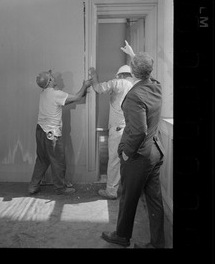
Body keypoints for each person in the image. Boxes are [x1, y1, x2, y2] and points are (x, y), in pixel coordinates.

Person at [101, 40, 166, 248]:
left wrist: (127, 153)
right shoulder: (156, 86)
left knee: (128, 199)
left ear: (133, 73)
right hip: (156, 152)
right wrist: (133, 55)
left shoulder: (134, 96)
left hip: (139, 156)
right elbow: (146, 71)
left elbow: (138, 131)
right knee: (155, 201)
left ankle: (121, 236)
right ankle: (158, 243)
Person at [28, 69, 92, 195]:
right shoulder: (56, 93)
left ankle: (33, 186)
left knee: (42, 160)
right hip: (51, 134)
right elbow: (77, 97)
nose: (56, 77)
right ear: (50, 80)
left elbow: (63, 102)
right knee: (57, 161)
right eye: (52, 76)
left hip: (40, 131)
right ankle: (60, 188)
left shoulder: (44, 93)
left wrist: (79, 95)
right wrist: (85, 85)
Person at [88, 63, 133, 199]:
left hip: (118, 128)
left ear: (119, 74)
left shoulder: (117, 82)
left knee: (114, 159)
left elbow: (98, 88)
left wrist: (94, 76)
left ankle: (111, 191)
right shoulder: (135, 85)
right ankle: (128, 189)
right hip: (131, 128)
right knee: (128, 159)